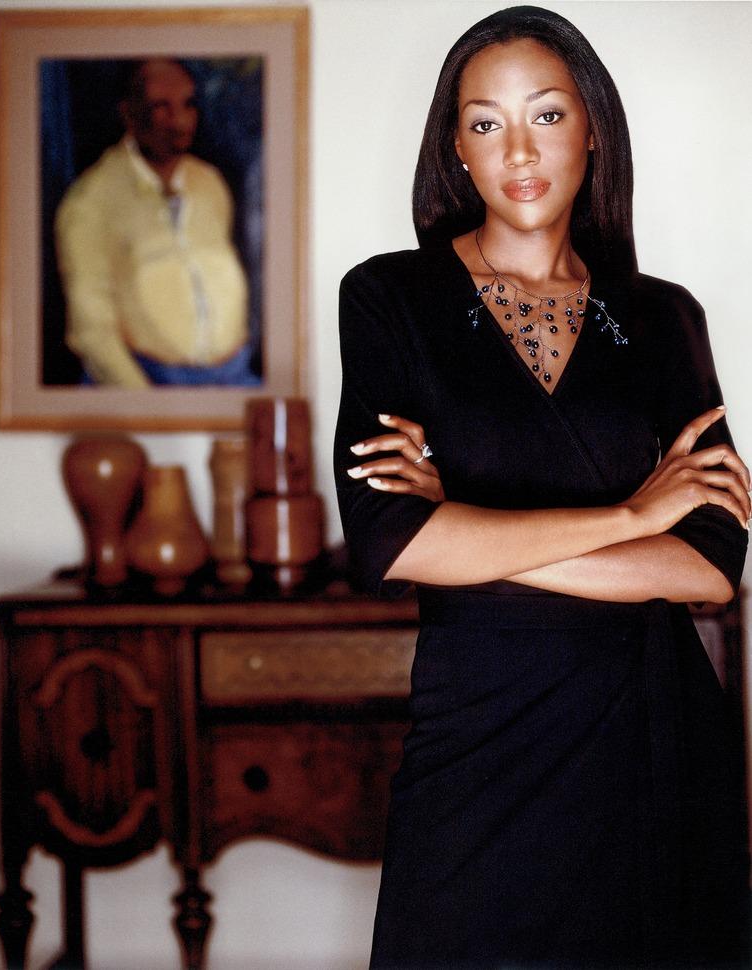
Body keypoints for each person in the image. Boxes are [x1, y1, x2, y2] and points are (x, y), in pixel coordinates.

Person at [334, 6, 750, 968]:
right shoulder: (392, 297)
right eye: (486, 123)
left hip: (654, 747)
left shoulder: (664, 319)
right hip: (479, 740)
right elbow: (393, 543)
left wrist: (472, 529)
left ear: (594, 128)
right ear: (458, 152)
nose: (518, 149)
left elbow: (710, 567)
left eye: (548, 115)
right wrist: (632, 516)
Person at [55, 58, 252, 387]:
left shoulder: (209, 182)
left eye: (188, 104)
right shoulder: (90, 201)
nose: (179, 120)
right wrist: (147, 404)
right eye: (161, 106)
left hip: (233, 377)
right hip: (150, 382)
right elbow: (91, 332)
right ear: (129, 114)